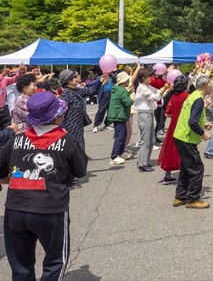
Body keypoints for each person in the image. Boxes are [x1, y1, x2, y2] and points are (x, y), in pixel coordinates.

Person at [0, 91, 88, 281]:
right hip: (51, 209)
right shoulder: (66, 141)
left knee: (21, 266)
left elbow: (1, 172)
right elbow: (80, 170)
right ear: (57, 117)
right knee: (55, 261)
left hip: (15, 208)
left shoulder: (15, 140)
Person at [172, 75, 212, 209]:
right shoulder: (199, 100)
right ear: (206, 86)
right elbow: (192, 122)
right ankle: (193, 199)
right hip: (186, 138)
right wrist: (203, 134)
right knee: (196, 168)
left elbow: (192, 118)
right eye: (210, 84)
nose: (211, 86)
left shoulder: (193, 95)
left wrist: (203, 124)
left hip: (180, 135)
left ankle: (180, 196)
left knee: (185, 167)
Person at [134, 67, 171, 173]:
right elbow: (154, 97)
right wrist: (164, 89)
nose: (152, 77)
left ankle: (144, 161)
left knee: (151, 140)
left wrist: (167, 89)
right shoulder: (141, 88)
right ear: (143, 78)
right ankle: (142, 164)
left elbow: (158, 95)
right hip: (144, 114)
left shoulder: (147, 86)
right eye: (150, 76)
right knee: (146, 140)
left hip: (149, 114)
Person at [60, 69, 107, 153]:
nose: (76, 78)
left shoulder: (77, 90)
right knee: (74, 147)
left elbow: (91, 91)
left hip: (78, 125)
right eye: (74, 77)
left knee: (80, 146)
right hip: (70, 126)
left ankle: (80, 162)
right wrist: (63, 126)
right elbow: (61, 111)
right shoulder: (66, 93)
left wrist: (100, 81)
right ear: (68, 81)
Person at [158, 75, 189, 185]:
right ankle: (185, 176)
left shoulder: (173, 97)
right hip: (184, 126)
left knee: (170, 150)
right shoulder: (188, 97)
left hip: (173, 126)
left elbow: (167, 113)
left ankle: (167, 176)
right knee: (186, 151)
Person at [107, 71, 136, 166]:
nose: (129, 81)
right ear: (123, 81)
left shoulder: (116, 88)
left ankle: (120, 153)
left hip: (116, 115)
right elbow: (128, 103)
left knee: (122, 134)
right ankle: (114, 156)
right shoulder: (122, 90)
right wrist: (132, 98)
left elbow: (121, 97)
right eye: (127, 79)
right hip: (120, 115)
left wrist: (128, 92)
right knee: (120, 135)